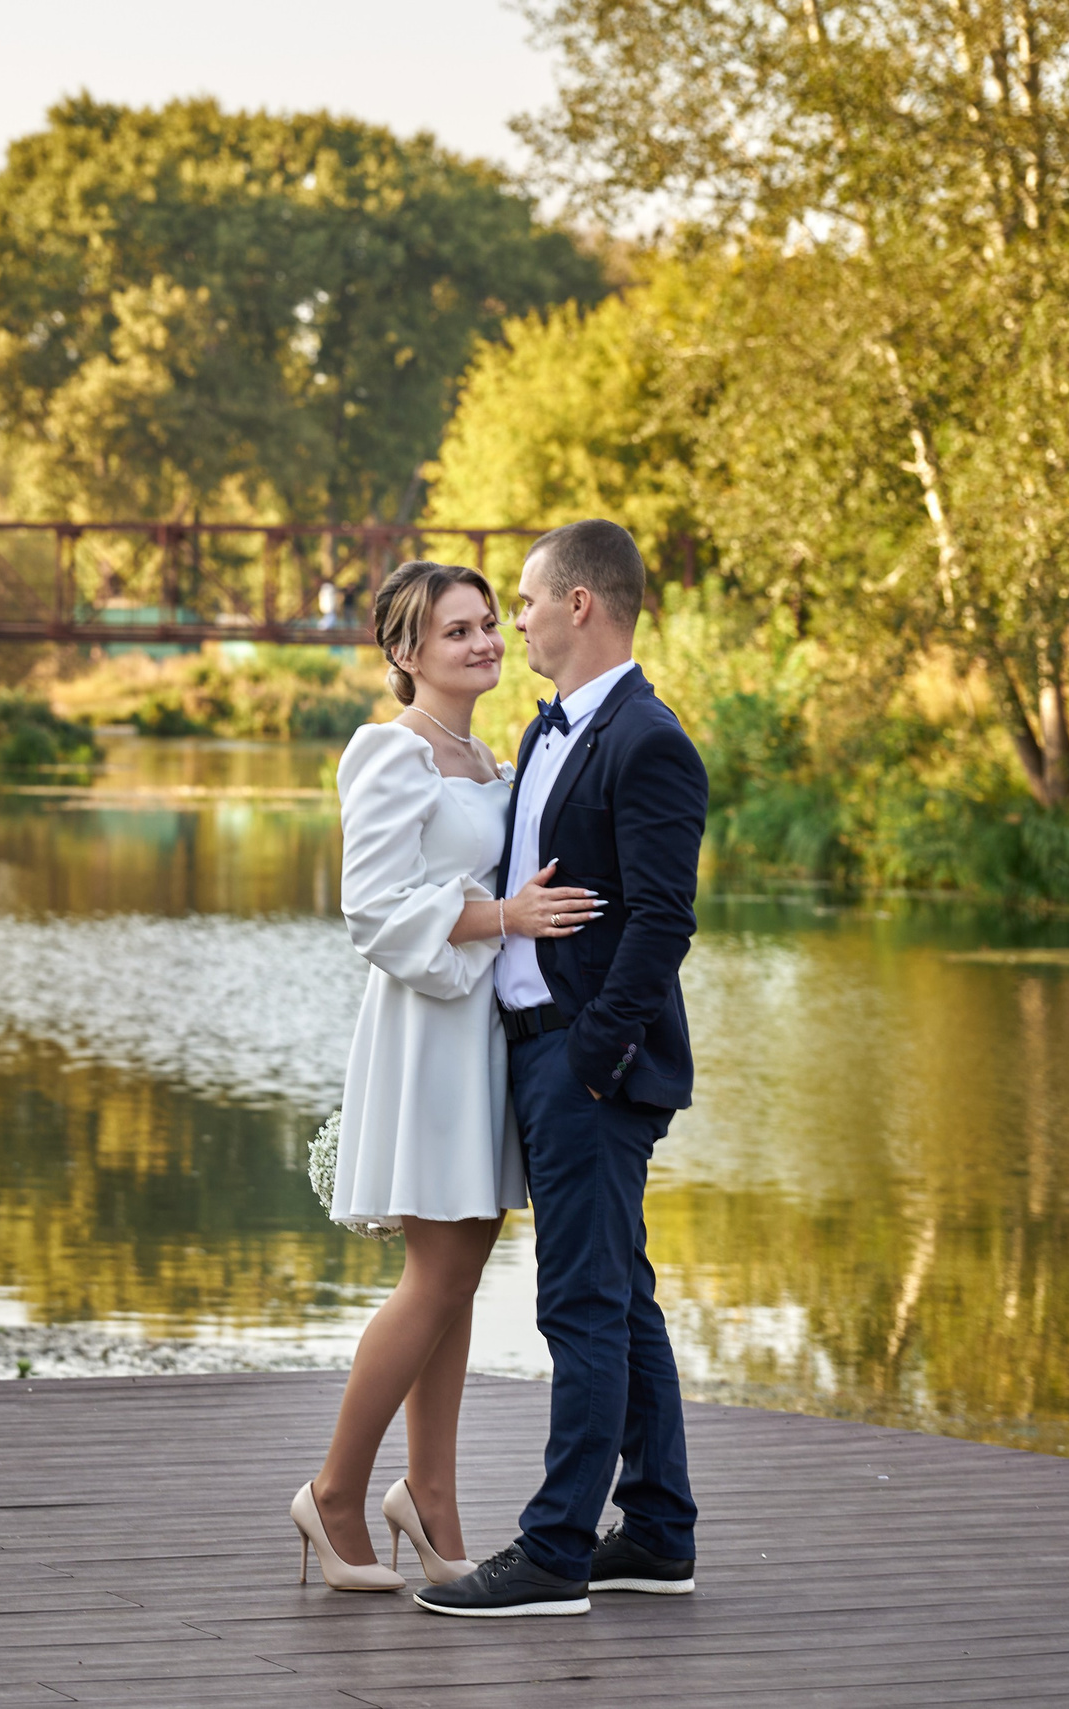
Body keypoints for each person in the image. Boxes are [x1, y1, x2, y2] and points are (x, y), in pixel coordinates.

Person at [415, 520, 707, 1619]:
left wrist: (591, 1057)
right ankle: (660, 1530)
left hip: (590, 1070)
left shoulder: (647, 738)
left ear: (581, 604)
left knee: (579, 1305)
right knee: (620, 1296)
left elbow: (662, 922)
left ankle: (552, 1550)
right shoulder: (548, 732)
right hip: (537, 1057)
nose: (516, 620)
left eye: (528, 601)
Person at [290, 560, 599, 1592]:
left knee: (459, 1278)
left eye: (485, 624)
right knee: (436, 1274)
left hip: (484, 1035)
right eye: (456, 630)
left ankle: (428, 1494)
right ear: (404, 653)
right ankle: (334, 1491)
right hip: (427, 1034)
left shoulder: (487, 754)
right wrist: (503, 918)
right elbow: (372, 910)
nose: (482, 641)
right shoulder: (390, 754)